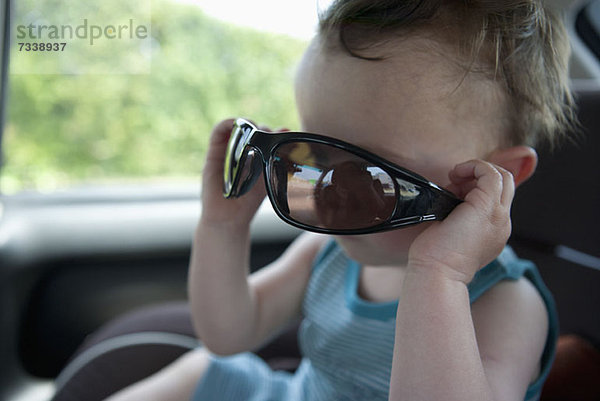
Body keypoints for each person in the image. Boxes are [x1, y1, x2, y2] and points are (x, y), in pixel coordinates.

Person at [106, 1, 576, 400]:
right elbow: (228, 334)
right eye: (314, 155)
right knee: (201, 370)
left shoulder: (506, 303)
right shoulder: (329, 254)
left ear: (500, 176)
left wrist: (439, 274)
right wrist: (223, 227)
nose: (330, 188)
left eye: (374, 174)